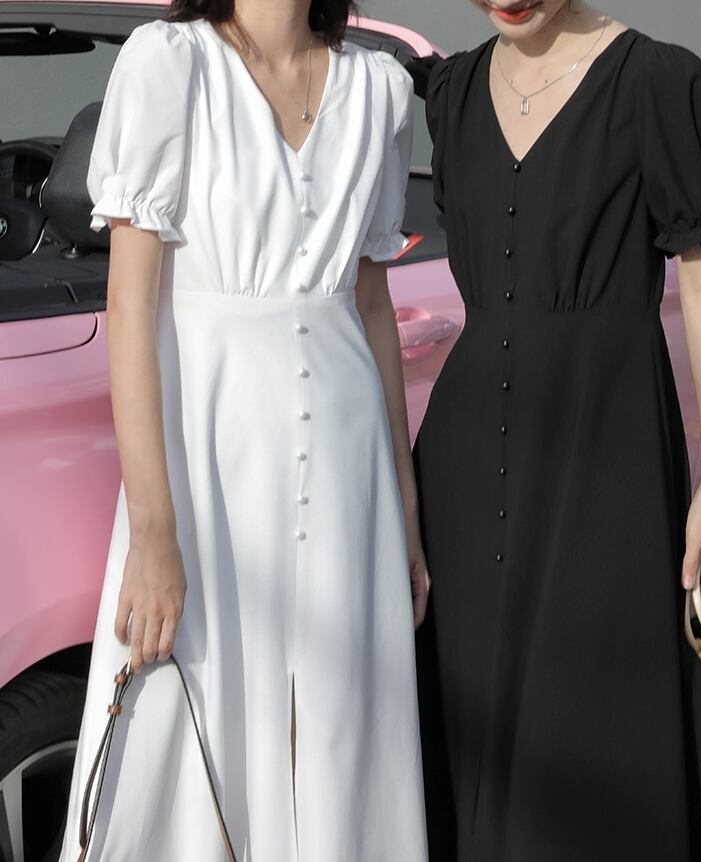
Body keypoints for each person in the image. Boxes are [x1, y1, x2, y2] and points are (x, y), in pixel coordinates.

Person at [59, 0, 430, 858]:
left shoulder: (379, 90)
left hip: (348, 468)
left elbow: (372, 304)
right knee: (189, 733)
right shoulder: (170, 64)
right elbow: (129, 305)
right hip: (206, 462)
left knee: (338, 730)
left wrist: (405, 512)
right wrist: (154, 532)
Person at [412, 1, 701, 859]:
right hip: (464, 471)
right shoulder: (452, 94)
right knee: (470, 728)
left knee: (595, 732)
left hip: (610, 455)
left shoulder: (656, 83)